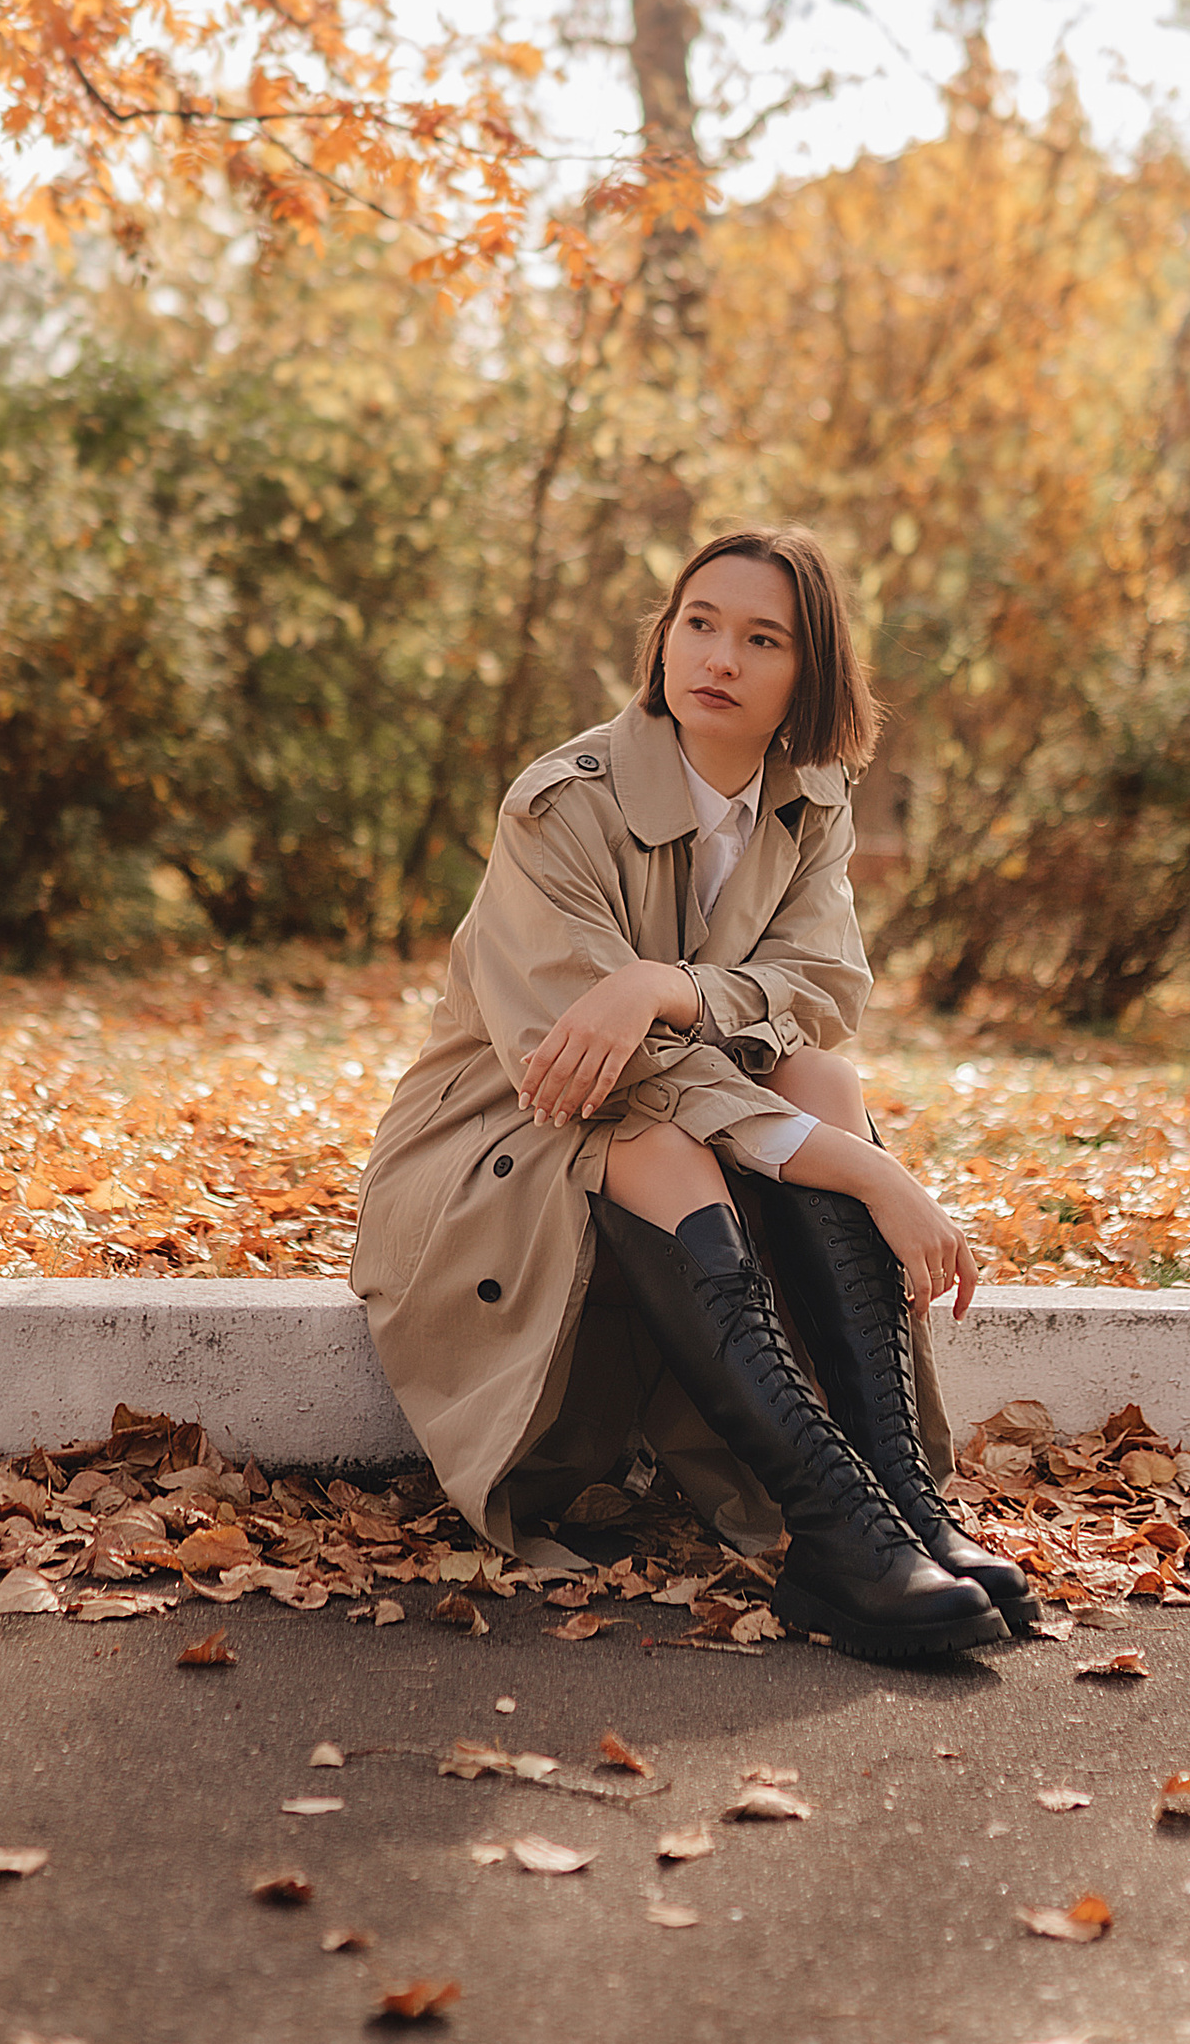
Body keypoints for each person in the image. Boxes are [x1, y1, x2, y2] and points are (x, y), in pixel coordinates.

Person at [350, 526, 1035, 1667]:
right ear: (664, 637)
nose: (716, 656)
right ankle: (835, 1530)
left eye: (760, 638)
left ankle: (901, 1511)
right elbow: (590, 1070)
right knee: (663, 1127)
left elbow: (822, 995)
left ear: (806, 676)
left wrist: (665, 983)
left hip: (673, 1113)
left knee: (819, 1074)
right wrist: (868, 1166)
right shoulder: (558, 804)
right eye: (698, 622)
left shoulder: (811, 796)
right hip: (500, 1138)